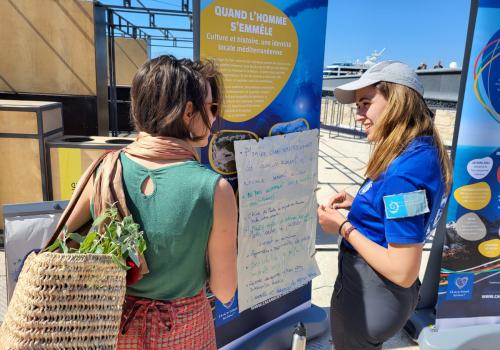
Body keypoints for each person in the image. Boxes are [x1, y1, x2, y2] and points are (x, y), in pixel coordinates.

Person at [64, 55, 238, 349]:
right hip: (186, 332)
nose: (214, 117)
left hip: (108, 328)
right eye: (212, 107)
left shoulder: (104, 170)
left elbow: (65, 240)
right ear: (188, 111)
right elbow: (224, 290)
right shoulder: (215, 189)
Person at [317, 60, 452, 350]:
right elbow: (405, 216)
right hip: (380, 298)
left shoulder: (403, 173)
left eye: (366, 103)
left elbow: (402, 270)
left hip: (369, 298)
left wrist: (342, 227)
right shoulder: (421, 151)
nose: (358, 116)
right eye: (358, 106)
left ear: (398, 102)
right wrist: (361, 204)